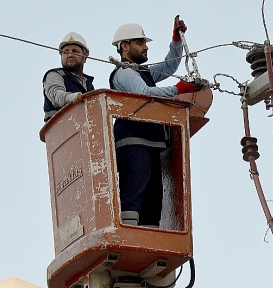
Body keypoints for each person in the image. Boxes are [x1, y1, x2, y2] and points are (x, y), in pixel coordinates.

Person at [109, 17, 201, 226]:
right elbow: (146, 93)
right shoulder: (124, 72)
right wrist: (179, 89)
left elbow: (169, 67)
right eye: (140, 43)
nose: (146, 47)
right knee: (134, 198)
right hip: (133, 143)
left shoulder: (143, 72)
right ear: (125, 46)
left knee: (152, 201)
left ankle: (146, 241)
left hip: (149, 144)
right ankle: (129, 236)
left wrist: (176, 41)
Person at [43, 32, 94, 122]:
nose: (70, 55)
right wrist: (72, 97)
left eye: (75, 51)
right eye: (66, 52)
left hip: (82, 130)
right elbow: (57, 96)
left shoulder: (88, 84)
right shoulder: (55, 75)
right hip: (59, 130)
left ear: (85, 57)